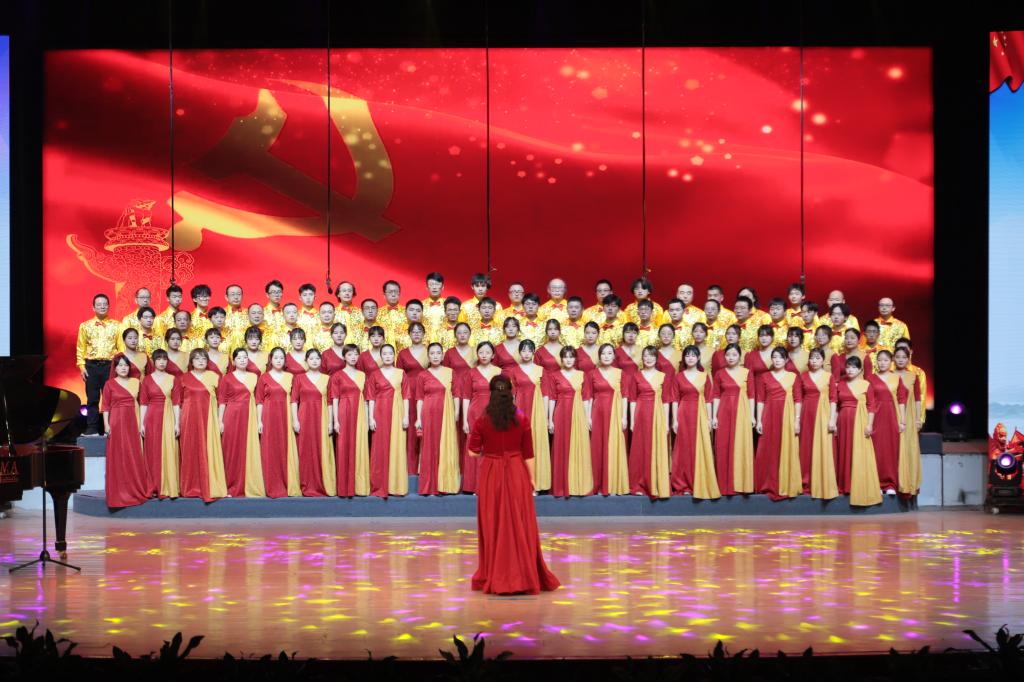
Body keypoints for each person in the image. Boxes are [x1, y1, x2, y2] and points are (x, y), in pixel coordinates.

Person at [467, 375, 561, 595]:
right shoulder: (521, 418)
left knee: (494, 523)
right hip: (517, 472)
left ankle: (495, 574)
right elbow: (528, 454)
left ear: (491, 393)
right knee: (520, 523)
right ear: (511, 392)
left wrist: (488, 450)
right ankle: (523, 576)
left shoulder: (482, 420)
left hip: (491, 474)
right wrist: (532, 479)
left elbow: (472, 452)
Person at [174, 349, 228, 502]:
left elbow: (221, 401)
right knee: (190, 450)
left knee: (208, 450)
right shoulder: (183, 378)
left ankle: (210, 485)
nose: (201, 361)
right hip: (188, 419)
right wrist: (177, 422)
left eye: (204, 358)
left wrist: (220, 420)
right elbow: (178, 403)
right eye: (197, 358)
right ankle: (190, 486)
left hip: (209, 419)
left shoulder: (215, 377)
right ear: (191, 361)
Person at [829, 356, 882, 506]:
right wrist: (834, 422)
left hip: (859, 421)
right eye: (848, 367)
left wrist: (869, 425)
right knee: (844, 451)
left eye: (854, 367)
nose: (850, 370)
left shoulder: (866, 385)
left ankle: (858, 485)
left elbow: (872, 406)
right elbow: (836, 405)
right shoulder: (840, 384)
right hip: (843, 421)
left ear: (860, 370)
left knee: (858, 452)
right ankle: (844, 485)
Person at [670, 345, 720, 499]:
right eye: (687, 355)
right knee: (684, 448)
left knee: (700, 447)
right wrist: (674, 420)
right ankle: (683, 483)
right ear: (683, 358)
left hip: (700, 413)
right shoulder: (678, 377)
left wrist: (709, 418)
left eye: (693, 355)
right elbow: (674, 399)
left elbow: (709, 399)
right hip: (684, 413)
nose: (690, 358)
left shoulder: (705, 376)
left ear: (698, 358)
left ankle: (700, 482)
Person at [102, 355, 151, 507]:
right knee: (118, 455)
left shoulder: (136, 382)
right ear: (115, 368)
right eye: (120, 365)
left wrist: (142, 423)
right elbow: (105, 406)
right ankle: (119, 492)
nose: (123, 368)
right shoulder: (109, 384)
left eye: (126, 365)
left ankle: (134, 488)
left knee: (133, 453)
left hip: (133, 421)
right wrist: (106, 425)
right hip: (116, 422)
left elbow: (143, 403)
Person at [754, 347, 803, 500]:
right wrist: (759, 420)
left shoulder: (793, 377)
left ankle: (786, 483)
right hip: (769, 415)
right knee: (768, 448)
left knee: (786, 447)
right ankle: (767, 483)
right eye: (774, 357)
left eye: (780, 357)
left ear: (786, 360)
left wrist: (796, 420)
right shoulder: (764, 376)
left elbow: (798, 400)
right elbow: (760, 400)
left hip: (787, 416)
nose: (777, 360)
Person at [413, 342, 462, 495]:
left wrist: (456, 413)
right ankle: (429, 486)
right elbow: (419, 398)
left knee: (446, 445)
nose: (435, 356)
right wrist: (418, 418)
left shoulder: (451, 372)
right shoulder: (422, 375)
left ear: (442, 356)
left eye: (438, 353)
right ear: (428, 356)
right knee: (429, 447)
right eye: (432, 353)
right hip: (428, 414)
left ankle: (446, 484)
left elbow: (457, 394)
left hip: (446, 413)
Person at [216, 349, 266, 498]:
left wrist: (259, 420)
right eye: (239, 358)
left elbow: (259, 400)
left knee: (247, 449)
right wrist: (220, 421)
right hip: (232, 416)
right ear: (234, 361)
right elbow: (222, 401)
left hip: (249, 416)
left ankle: (247, 484)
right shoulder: (227, 378)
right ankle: (229, 486)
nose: (243, 360)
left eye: (245, 357)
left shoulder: (255, 377)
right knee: (231, 450)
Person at [545, 346, 594, 497]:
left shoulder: (582, 375)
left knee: (579, 446)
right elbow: (552, 398)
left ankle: (577, 485)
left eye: (571, 357)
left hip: (578, 413)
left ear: (575, 359)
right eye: (565, 357)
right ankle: (561, 486)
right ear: (561, 359)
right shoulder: (554, 375)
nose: (568, 360)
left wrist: (587, 417)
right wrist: (550, 419)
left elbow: (586, 398)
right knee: (562, 447)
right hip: (560, 414)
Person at [505, 340, 552, 492]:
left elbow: (546, 395)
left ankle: (536, 484)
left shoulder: (541, 371)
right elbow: (511, 395)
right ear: (519, 353)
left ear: (533, 352)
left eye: (529, 350)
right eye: (523, 350)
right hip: (520, 410)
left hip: (537, 411)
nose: (526, 353)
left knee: (536, 444)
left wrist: (545, 416)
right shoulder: (513, 371)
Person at [582, 343, 629, 496]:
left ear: (614, 356)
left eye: (609, 353)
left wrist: (624, 417)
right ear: (599, 356)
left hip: (615, 413)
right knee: (597, 447)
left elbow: (625, 397)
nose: (606, 356)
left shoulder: (621, 373)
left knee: (614, 446)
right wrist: (588, 417)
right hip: (597, 413)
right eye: (603, 353)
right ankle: (597, 483)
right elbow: (588, 397)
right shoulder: (592, 374)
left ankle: (613, 484)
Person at [255, 348, 302, 498]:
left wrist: (295, 419)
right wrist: (259, 421)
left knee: (284, 447)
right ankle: (271, 484)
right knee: (270, 449)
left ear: (285, 360)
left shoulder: (291, 377)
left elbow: (295, 400)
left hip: (286, 416)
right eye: (276, 358)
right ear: (271, 360)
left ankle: (287, 483)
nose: (279, 360)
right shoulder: (264, 377)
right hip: (269, 417)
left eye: (281, 358)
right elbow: (259, 401)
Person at [291, 349, 338, 497]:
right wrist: (295, 420)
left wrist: (330, 422)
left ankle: (322, 484)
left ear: (321, 361)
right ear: (306, 361)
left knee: (320, 449)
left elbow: (330, 402)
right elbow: (294, 400)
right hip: (304, 417)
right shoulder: (299, 378)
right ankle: (305, 484)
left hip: (322, 417)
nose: (314, 361)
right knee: (304, 450)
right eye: (311, 358)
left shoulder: (327, 379)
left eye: (317, 358)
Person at [627, 347, 673, 499]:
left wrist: (666, 422)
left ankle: (656, 483)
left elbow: (666, 401)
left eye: (652, 356)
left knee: (655, 447)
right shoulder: (636, 376)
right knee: (640, 448)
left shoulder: (663, 376)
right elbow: (632, 399)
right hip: (641, 414)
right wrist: (632, 420)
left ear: (656, 358)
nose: (648, 358)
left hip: (657, 414)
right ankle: (638, 484)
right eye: (645, 356)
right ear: (642, 358)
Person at [366, 344, 410, 497]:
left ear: (394, 355)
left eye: (390, 353)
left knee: (397, 446)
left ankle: (396, 485)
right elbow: (371, 398)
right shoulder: (374, 375)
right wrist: (370, 418)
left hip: (397, 413)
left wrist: (406, 416)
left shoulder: (401, 373)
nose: (387, 356)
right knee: (380, 448)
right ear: (381, 356)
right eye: (384, 354)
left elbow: (406, 396)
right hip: (379, 413)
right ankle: (379, 485)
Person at [328, 344, 371, 497]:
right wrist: (335, 420)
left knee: (359, 446)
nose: (353, 357)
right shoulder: (337, 376)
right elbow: (334, 399)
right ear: (344, 357)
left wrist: (367, 418)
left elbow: (367, 399)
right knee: (343, 447)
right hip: (343, 412)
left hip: (359, 412)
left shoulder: (363, 375)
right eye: (350, 354)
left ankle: (359, 487)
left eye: (355, 354)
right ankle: (344, 487)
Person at [712, 343, 755, 496]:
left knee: (741, 445)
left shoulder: (747, 373)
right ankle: (723, 485)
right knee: (723, 445)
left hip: (742, 412)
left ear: (740, 357)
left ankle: (741, 484)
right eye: (728, 355)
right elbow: (716, 395)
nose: (731, 358)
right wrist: (714, 416)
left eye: (734, 355)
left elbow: (751, 395)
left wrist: (752, 415)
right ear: (724, 357)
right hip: (724, 411)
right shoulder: (719, 374)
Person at [460, 342, 502, 494]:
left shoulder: (499, 372)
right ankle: (473, 486)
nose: (484, 355)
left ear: (493, 355)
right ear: (477, 354)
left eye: (487, 352)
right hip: (475, 413)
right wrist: (465, 420)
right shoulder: (471, 373)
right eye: (481, 352)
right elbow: (466, 397)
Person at [797, 348, 839, 499]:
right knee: (806, 446)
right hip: (806, 414)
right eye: (812, 358)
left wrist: (832, 419)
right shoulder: (803, 376)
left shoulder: (829, 377)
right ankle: (806, 480)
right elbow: (798, 398)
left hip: (824, 413)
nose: (814, 361)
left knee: (824, 446)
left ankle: (823, 480)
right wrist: (797, 419)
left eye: (817, 358)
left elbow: (833, 399)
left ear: (823, 360)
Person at [77, 293, 121, 435]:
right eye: (99, 304)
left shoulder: (117, 325)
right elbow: (81, 348)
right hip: (91, 366)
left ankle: (113, 428)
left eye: (105, 304)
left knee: (112, 399)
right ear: (93, 307)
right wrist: (82, 367)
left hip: (110, 366)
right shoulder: (85, 326)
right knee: (92, 399)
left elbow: (121, 348)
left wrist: (119, 367)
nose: (102, 306)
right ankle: (92, 429)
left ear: (109, 306)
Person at [139, 349, 179, 499]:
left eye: (164, 359)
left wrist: (177, 423)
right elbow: (143, 403)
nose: (162, 362)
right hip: (151, 418)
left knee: (169, 450)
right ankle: (153, 485)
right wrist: (142, 423)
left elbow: (176, 403)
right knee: (152, 451)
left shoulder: (173, 379)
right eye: (159, 359)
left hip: (168, 416)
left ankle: (168, 486)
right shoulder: (146, 380)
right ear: (153, 362)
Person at [868, 350, 908, 496]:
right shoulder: (870, 378)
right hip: (876, 417)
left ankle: (890, 484)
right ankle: (876, 483)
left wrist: (902, 421)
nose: (882, 363)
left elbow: (901, 400)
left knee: (891, 450)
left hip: (892, 417)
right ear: (876, 362)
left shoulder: (897, 379)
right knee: (876, 450)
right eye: (880, 360)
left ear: (891, 361)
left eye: (885, 360)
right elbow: (869, 401)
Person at [397, 322, 430, 473]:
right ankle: (409, 467)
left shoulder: (430, 351)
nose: (416, 334)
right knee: (409, 427)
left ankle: (424, 465)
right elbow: (399, 376)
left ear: (424, 333)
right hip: (408, 393)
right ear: (409, 334)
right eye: (413, 331)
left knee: (426, 425)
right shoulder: (403, 353)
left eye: (419, 331)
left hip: (427, 392)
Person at [893, 346, 923, 495]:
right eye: (898, 357)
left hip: (909, 418)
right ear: (893, 358)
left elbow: (917, 399)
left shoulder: (913, 376)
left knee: (909, 448)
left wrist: (918, 418)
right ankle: (893, 483)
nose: (900, 360)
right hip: (893, 416)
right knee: (894, 448)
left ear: (908, 359)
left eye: (904, 357)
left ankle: (909, 483)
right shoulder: (889, 376)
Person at [422, 272, 448, 341]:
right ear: (427, 287)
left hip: (445, 342)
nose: (434, 287)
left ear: (442, 287)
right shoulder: (420, 306)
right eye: (431, 284)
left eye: (437, 284)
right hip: (425, 343)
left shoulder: (449, 305)